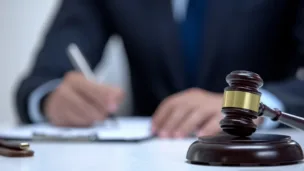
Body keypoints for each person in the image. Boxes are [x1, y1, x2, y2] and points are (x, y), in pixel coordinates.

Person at [15, 0, 304, 138]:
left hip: (260, 152)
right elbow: (41, 79)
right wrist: (52, 98)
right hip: (150, 153)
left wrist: (251, 105)